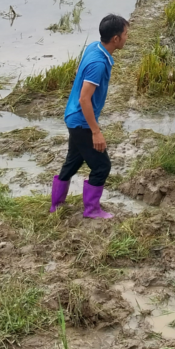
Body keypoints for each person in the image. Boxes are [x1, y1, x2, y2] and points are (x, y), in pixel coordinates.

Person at [50, 14, 130, 220]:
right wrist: (96, 131)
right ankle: (92, 210)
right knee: (102, 166)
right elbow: (85, 99)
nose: (127, 37)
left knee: (73, 160)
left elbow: (79, 71)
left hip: (72, 115)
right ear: (115, 39)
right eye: (126, 34)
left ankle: (56, 204)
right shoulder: (99, 64)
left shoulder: (94, 47)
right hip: (81, 121)